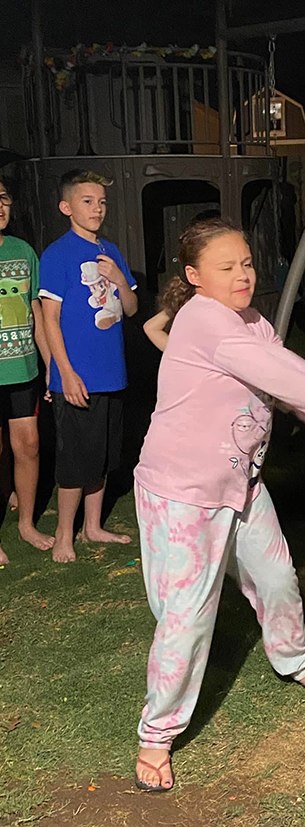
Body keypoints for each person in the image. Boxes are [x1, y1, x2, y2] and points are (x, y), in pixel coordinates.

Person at [133, 217, 305, 792]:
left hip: (241, 486)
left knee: (280, 580)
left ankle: (295, 661)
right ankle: (156, 734)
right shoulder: (203, 321)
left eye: (248, 263)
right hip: (183, 497)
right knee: (185, 619)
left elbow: (286, 384)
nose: (243, 276)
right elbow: (276, 371)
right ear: (193, 276)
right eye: (226, 267)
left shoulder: (251, 322)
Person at [39, 170, 138, 563]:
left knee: (103, 456)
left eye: (101, 202)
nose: (97, 209)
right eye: (87, 201)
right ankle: (65, 534)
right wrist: (66, 372)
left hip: (111, 373)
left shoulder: (111, 251)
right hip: (77, 376)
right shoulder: (57, 255)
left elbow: (130, 308)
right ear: (67, 207)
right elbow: (49, 320)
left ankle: (92, 527)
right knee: (76, 459)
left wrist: (118, 278)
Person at [0, 179, 53, 566]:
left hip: (22, 367)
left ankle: (27, 524)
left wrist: (51, 366)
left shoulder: (23, 252)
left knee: (29, 446)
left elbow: (36, 314)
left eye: (2, 198)